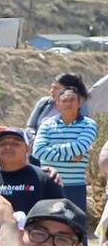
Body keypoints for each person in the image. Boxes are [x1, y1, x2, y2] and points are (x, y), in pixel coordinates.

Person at [34, 86, 99, 221]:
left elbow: (80, 146)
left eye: (72, 100)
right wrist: (70, 156)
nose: (68, 103)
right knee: (46, 224)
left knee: (76, 227)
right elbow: (38, 151)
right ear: (58, 104)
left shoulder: (89, 124)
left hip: (74, 185)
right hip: (49, 184)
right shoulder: (46, 124)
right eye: (64, 100)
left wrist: (51, 150)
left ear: (79, 103)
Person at [0, 127, 65, 215]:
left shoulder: (45, 178)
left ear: (27, 149)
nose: (7, 147)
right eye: (2, 144)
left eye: (15, 144)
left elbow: (59, 213)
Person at [25, 72, 90, 144]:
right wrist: (34, 137)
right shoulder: (44, 103)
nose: (52, 91)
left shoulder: (80, 107)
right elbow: (30, 126)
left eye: (56, 88)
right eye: (52, 87)